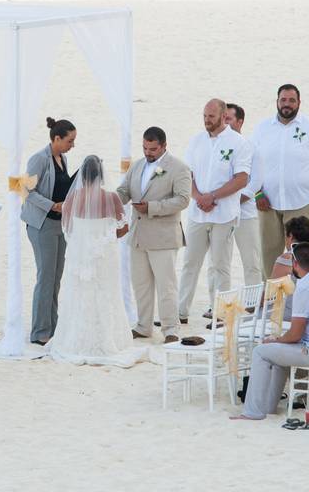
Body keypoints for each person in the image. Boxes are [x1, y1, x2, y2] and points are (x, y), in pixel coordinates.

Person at [49, 155, 148, 367]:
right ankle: (108, 338)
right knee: (106, 293)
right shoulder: (111, 198)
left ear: (82, 176)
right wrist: (105, 238)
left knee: (80, 294)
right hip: (104, 257)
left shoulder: (72, 199)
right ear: (102, 175)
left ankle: (76, 340)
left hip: (80, 257)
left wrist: (85, 241)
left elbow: (67, 229)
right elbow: (123, 228)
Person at [232, 243, 309, 420]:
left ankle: (253, 411)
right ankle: (269, 406)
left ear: (295, 263)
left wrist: (276, 340)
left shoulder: (305, 286)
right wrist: (279, 341)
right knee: (277, 355)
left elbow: (295, 335)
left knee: (261, 351)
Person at [251, 84, 309, 278]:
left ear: (299, 103)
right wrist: (257, 192)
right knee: (269, 255)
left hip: (301, 203)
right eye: (283, 100)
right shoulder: (262, 129)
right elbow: (249, 161)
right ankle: (272, 300)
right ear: (277, 102)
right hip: (268, 204)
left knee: (303, 255)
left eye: (292, 100)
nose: (287, 104)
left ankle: (304, 295)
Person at [178, 99, 252, 322]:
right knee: (190, 262)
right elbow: (186, 174)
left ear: (223, 116)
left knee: (220, 265)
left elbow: (241, 179)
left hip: (224, 214)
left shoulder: (239, 143)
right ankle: (181, 311)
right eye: (204, 116)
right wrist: (199, 197)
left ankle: (220, 312)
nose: (207, 120)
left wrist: (213, 196)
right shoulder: (196, 141)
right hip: (197, 213)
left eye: (211, 116)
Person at [115, 127, 191, 342]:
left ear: (164, 146)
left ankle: (170, 329)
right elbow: (125, 190)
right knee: (141, 284)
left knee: (166, 285)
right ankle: (143, 325)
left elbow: (183, 199)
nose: (148, 153)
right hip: (138, 235)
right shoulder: (137, 165)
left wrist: (152, 207)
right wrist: (110, 201)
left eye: (153, 149)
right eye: (145, 148)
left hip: (164, 237)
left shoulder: (179, 168)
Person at [21, 117, 76, 345]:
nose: (72, 145)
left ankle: (52, 327)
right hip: (41, 224)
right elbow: (26, 191)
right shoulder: (38, 159)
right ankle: (40, 331)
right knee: (45, 277)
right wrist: (52, 205)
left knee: (56, 278)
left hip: (59, 224)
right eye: (69, 141)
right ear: (56, 138)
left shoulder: (62, 158)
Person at [225, 102, 263, 286]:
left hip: (245, 213)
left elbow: (256, 182)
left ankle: (252, 303)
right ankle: (215, 303)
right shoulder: (215, 145)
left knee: (251, 260)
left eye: (228, 119)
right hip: (221, 213)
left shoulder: (251, 147)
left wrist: (234, 199)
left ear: (240, 122)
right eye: (222, 119)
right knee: (219, 261)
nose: (224, 123)